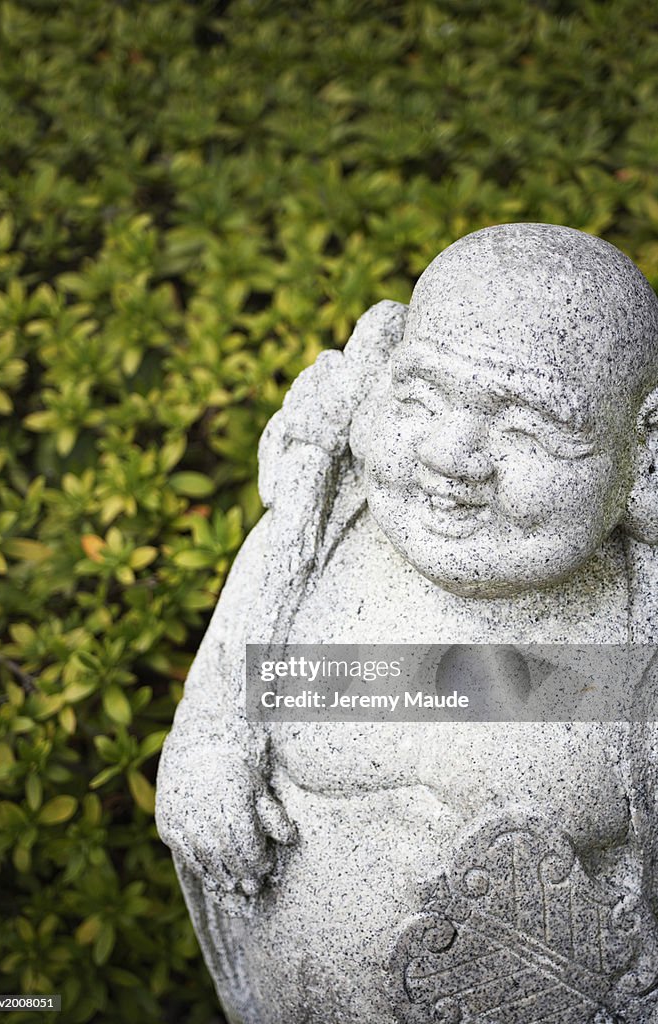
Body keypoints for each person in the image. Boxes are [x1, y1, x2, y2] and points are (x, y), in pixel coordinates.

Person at [156, 224, 658, 1023]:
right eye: (420, 398)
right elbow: (223, 693)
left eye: (527, 429)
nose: (453, 456)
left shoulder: (638, 623)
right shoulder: (317, 536)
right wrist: (208, 751)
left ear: (641, 454)